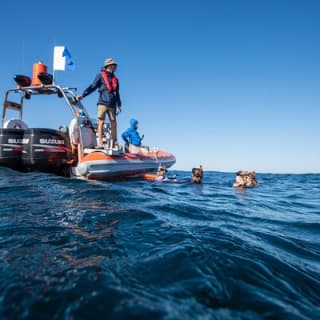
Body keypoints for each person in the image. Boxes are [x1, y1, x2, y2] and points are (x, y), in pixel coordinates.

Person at [77, 58, 122, 149]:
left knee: (114, 123)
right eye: (113, 65)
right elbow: (92, 86)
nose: (115, 67)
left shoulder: (115, 79)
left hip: (112, 104)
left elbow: (117, 93)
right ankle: (100, 143)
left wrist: (119, 104)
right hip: (102, 102)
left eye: (115, 65)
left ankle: (115, 143)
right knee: (101, 122)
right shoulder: (100, 76)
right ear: (108, 66)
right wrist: (83, 95)